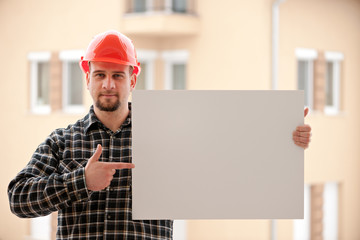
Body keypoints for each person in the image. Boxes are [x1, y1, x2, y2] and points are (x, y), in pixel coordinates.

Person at [8, 30, 311, 240]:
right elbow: (18, 198)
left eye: (118, 75)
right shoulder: (62, 141)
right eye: (100, 74)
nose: (108, 85)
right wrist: (82, 181)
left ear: (133, 78)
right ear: (88, 78)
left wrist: (283, 137)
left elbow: (230, 158)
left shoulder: (168, 135)